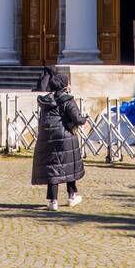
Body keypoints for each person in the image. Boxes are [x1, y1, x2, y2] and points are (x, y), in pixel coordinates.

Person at [32, 72, 87, 211]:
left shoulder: (45, 101)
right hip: (65, 136)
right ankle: (72, 196)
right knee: (69, 166)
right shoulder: (67, 100)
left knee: (53, 168)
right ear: (64, 85)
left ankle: (53, 201)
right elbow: (77, 119)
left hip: (48, 137)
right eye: (68, 83)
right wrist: (85, 118)